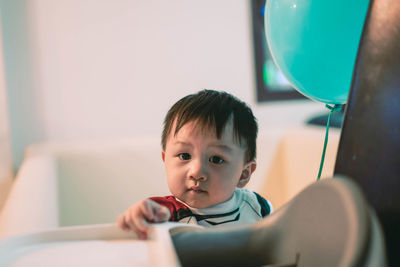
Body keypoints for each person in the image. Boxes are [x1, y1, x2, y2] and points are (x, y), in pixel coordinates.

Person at [117, 89, 272, 239]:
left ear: (244, 174)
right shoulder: (162, 213)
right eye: (184, 156)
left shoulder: (258, 207)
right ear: (165, 160)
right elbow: (138, 229)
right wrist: (139, 217)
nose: (197, 172)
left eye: (216, 159)